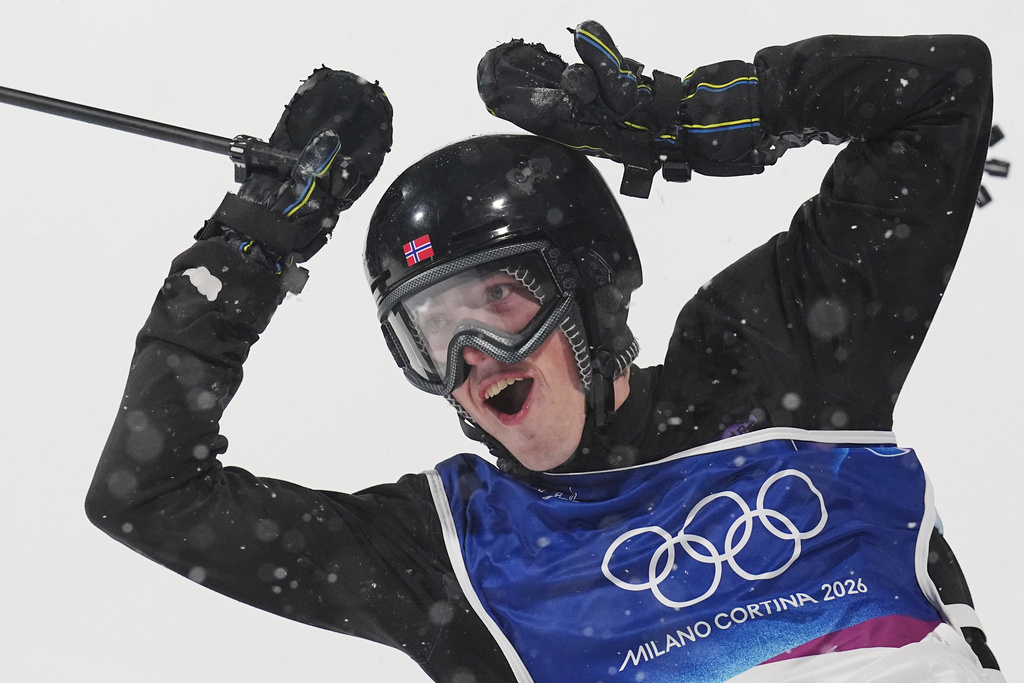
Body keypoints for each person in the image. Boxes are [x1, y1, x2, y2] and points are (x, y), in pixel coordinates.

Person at [85, 20, 999, 682]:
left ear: (592, 295)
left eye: (502, 304)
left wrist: (676, 119)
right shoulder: (459, 551)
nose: (475, 359)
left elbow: (943, 94)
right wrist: (248, 249)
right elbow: (147, 492)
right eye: (432, 333)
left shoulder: (771, 364)